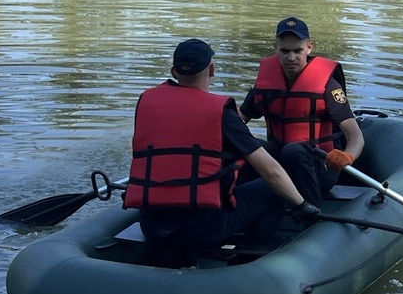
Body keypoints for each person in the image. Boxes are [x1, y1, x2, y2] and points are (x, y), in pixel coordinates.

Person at [123, 38, 316, 268]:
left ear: (174, 71)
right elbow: (271, 171)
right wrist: (301, 204)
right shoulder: (220, 112)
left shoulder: (147, 102)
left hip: (150, 224)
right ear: (211, 70)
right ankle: (252, 257)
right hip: (200, 228)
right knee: (273, 190)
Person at [239, 17, 365, 206]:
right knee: (249, 145)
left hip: (319, 168)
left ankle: (311, 211)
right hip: (279, 167)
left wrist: (347, 156)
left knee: (294, 150)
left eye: (297, 51)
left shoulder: (328, 86)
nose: (291, 58)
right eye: (285, 51)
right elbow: (237, 123)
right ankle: (238, 205)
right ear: (275, 48)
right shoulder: (264, 84)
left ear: (309, 47)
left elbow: (356, 137)